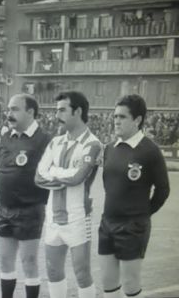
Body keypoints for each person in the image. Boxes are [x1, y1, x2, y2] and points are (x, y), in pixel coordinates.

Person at [99, 95, 170, 298]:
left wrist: (142, 213)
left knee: (130, 283)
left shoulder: (150, 151)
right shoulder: (110, 149)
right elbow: (109, 184)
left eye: (122, 117)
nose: (116, 121)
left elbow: (163, 190)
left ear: (137, 120)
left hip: (133, 226)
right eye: (114, 116)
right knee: (108, 281)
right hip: (107, 223)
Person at [35, 91, 102, 298]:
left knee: (82, 274)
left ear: (78, 111)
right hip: (53, 218)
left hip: (78, 217)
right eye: (57, 110)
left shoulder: (92, 144)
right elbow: (38, 177)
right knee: (53, 272)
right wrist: (62, 174)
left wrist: (53, 171)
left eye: (62, 110)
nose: (57, 115)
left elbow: (78, 178)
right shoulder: (56, 142)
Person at [0, 94, 50, 298]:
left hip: (30, 209)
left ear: (30, 112)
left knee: (29, 262)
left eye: (15, 109)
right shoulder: (6, 137)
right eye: (9, 109)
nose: (9, 114)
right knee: (5, 261)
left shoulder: (44, 139)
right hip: (4, 208)